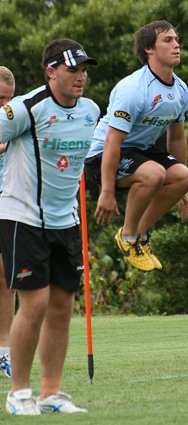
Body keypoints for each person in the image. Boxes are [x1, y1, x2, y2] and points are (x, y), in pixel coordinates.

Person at [0, 38, 100, 415]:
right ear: (51, 71)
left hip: (67, 222)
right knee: (36, 304)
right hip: (23, 218)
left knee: (61, 306)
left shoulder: (91, 110)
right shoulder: (25, 108)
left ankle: (50, 393)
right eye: (73, 69)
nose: (80, 77)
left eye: (84, 70)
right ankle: (19, 394)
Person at [85, 20, 188, 272]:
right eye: (168, 40)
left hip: (139, 151)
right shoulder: (133, 89)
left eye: (177, 40)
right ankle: (128, 238)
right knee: (154, 173)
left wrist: (181, 191)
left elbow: (177, 137)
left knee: (183, 177)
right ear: (149, 49)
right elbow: (113, 140)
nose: (176, 45)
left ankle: (136, 236)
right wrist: (107, 191)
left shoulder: (180, 89)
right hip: (102, 154)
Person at [0, 66, 16, 379]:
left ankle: (4, 351)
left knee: (4, 277)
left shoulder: (12, 117)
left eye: (8, 99)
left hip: (5, 201)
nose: (4, 105)